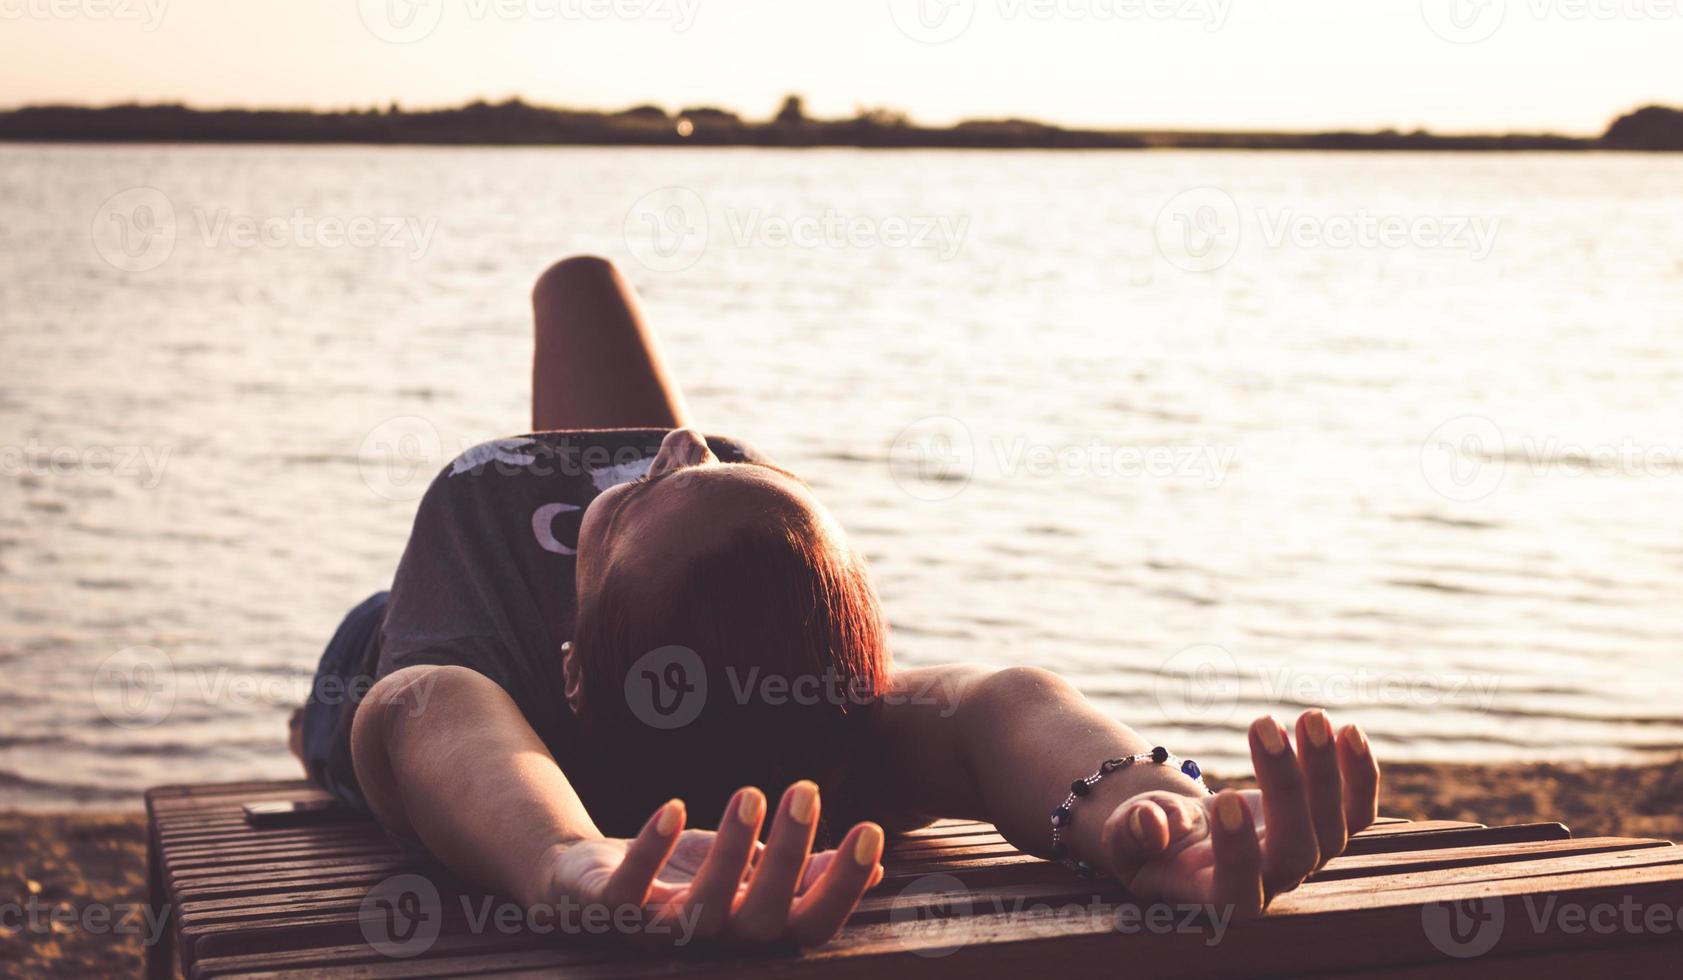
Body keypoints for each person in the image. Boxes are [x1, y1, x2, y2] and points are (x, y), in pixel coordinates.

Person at [292, 256, 1381, 948]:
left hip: (394, 640)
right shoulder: (845, 733)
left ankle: (304, 722)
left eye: (632, 499)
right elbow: (993, 703)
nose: (683, 441)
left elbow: (426, 702)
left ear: (569, 668)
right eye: (706, 463)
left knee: (350, 690)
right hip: (628, 617)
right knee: (581, 278)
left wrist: (567, 857)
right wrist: (1146, 805)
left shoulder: (479, 684)